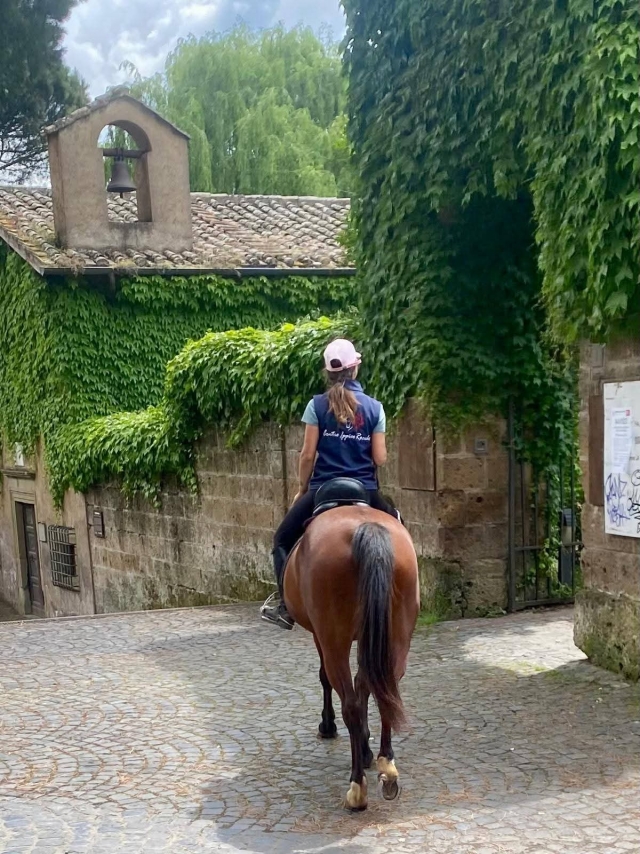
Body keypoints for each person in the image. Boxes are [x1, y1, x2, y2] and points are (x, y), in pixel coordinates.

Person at [261, 338, 400, 630]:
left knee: (282, 539)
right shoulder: (375, 408)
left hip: (323, 488)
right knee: (399, 528)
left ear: (329, 372)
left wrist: (302, 488)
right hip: (365, 489)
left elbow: (307, 454)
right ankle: (404, 596)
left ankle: (286, 607)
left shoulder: (316, 405)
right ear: (355, 368)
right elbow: (380, 457)